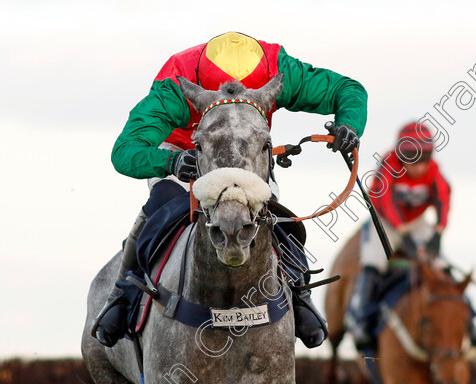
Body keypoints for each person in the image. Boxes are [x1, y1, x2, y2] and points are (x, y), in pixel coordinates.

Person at [92, 31, 368, 348]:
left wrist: (349, 125)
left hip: (248, 155)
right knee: (161, 204)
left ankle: (299, 292)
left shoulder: (277, 65)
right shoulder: (176, 82)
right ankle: (123, 294)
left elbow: (348, 90)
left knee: (278, 215)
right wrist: (169, 162)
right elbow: (125, 151)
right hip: (187, 154)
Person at [346, 121, 476, 351]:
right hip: (385, 221)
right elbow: (384, 201)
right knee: (373, 261)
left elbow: (443, 196)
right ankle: (360, 318)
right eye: (413, 160)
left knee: (440, 265)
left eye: (425, 159)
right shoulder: (388, 163)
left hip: (417, 222)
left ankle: (471, 320)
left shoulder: (433, 169)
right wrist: (402, 233)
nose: (420, 167)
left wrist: (439, 231)